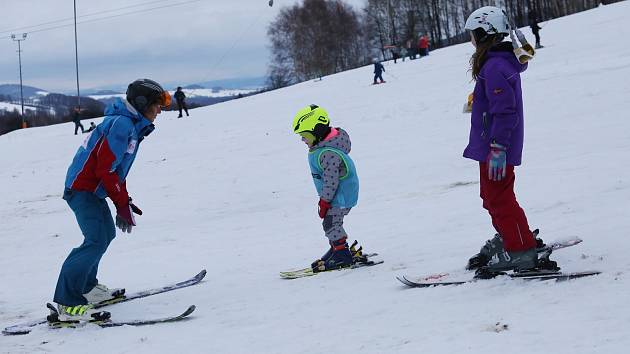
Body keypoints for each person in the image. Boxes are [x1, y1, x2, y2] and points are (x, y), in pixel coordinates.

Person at [53, 78, 171, 321]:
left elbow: (116, 171)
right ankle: (67, 302)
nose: (160, 109)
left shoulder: (130, 125)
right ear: (142, 103)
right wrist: (119, 202)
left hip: (91, 190)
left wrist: (124, 200)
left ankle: (88, 288)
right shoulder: (121, 125)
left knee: (105, 234)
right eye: (157, 104)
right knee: (96, 239)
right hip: (82, 190)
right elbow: (105, 171)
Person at [462, 7, 555, 277]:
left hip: (496, 147)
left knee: (500, 198)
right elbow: (497, 104)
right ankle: (510, 236)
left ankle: (521, 250)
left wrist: (499, 148)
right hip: (490, 144)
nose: (471, 39)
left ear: (483, 33)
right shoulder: (495, 65)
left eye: (473, 34)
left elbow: (506, 111)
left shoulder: (495, 67)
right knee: (490, 197)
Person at [291, 104, 365, 272]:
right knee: (332, 223)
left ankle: (342, 255)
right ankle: (337, 249)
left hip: (340, 197)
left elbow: (331, 182)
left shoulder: (328, 153)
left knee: (331, 223)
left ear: (316, 133)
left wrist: (324, 202)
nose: (302, 140)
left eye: (304, 136)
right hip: (339, 196)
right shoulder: (323, 149)